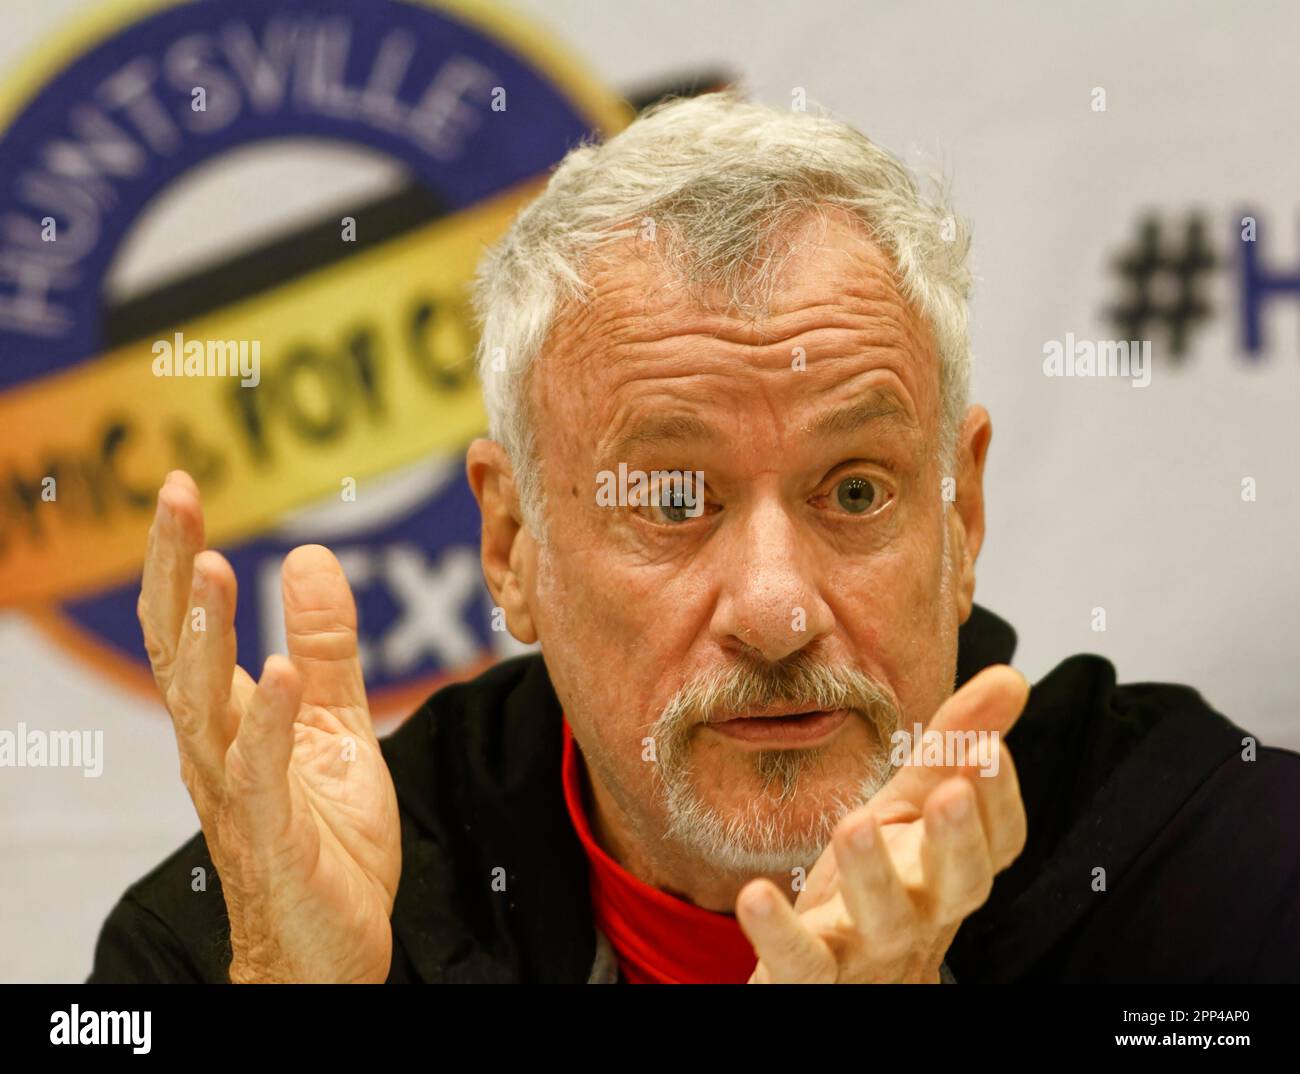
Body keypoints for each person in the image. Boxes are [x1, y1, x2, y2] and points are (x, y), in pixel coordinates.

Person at [90, 91, 1300, 984]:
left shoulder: (1220, 873)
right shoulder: (275, 915)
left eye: (857, 491)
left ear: (961, 512)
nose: (776, 609)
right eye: (671, 498)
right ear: (512, 545)